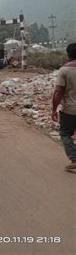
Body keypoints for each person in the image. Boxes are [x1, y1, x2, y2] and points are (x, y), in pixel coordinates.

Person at [52, 43, 76, 171]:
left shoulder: (64, 70)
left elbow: (58, 92)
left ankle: (74, 159)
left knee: (65, 133)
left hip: (69, 109)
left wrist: (54, 109)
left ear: (68, 54)